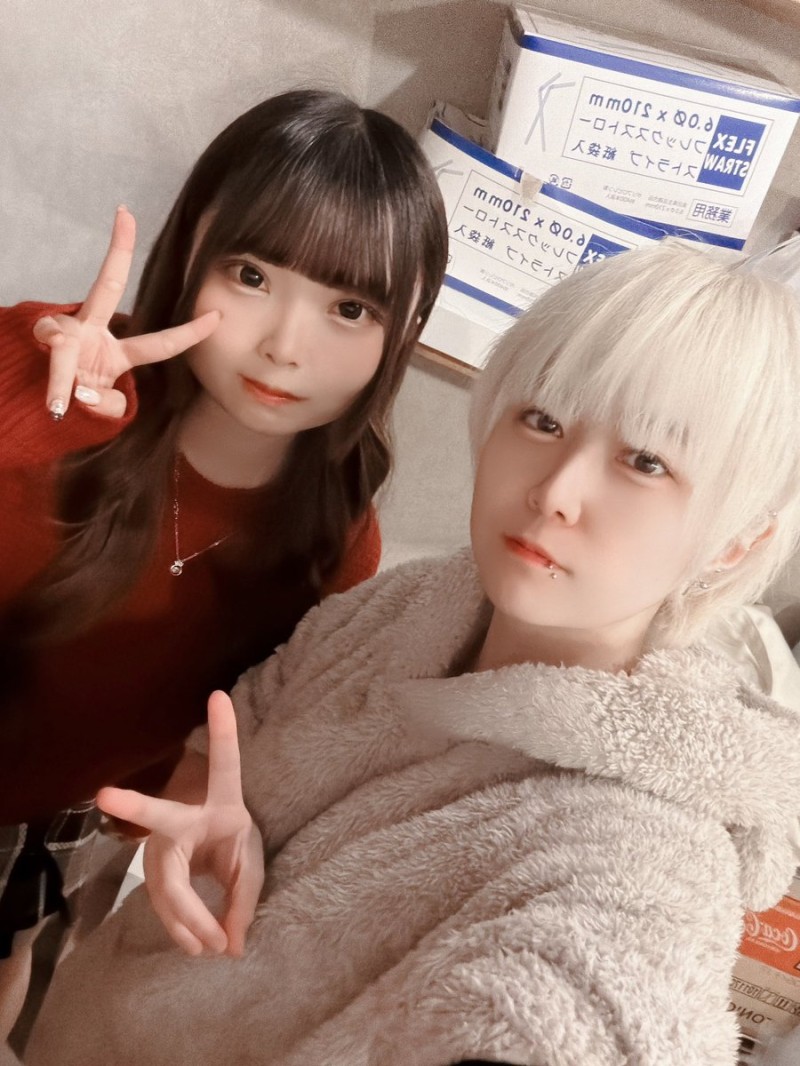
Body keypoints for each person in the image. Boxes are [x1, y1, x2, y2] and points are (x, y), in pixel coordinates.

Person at [26, 238, 800, 1066]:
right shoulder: (410, 605)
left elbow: (596, 1004)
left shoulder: (645, 856)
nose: (555, 492)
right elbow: (239, 726)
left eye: (646, 463)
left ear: (737, 541)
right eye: (542, 420)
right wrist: (208, 815)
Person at [0, 88, 447, 1037]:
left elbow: (226, 731)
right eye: (251, 275)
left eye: (349, 307)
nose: (285, 346)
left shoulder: (335, 542)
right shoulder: (50, 372)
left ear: (399, 334)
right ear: (189, 254)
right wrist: (29, 412)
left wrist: (199, 808)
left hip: (52, 825)